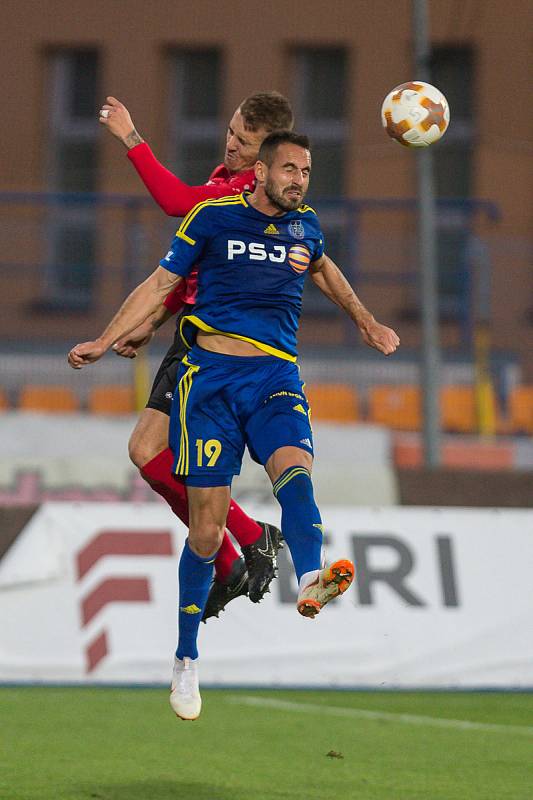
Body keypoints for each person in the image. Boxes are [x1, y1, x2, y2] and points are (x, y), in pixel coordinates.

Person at [68, 130, 400, 720]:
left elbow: (326, 271)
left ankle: (311, 578)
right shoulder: (213, 219)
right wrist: (107, 338)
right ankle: (186, 660)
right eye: (291, 169)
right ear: (264, 172)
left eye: (307, 170)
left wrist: (366, 322)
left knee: (296, 472)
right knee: (205, 533)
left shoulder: (307, 227)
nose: (300, 179)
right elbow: (161, 283)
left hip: (274, 380)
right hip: (210, 385)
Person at [97, 93, 296, 618]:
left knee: (149, 451)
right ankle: (242, 548)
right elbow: (191, 270)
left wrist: (132, 138)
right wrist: (150, 322)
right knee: (147, 453)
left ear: (266, 159)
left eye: (244, 141)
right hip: (189, 334)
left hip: (216, 354)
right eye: (230, 131)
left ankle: (244, 544)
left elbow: (173, 200)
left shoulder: (245, 191)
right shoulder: (228, 179)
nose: (230, 144)